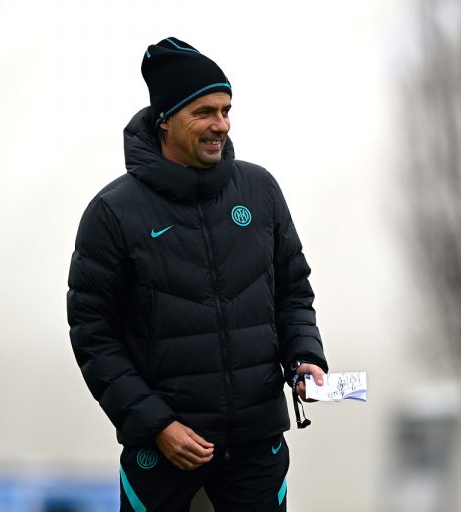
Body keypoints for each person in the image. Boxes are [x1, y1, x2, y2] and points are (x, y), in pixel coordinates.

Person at [67, 37, 329, 512]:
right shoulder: (113, 212)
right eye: (204, 112)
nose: (220, 124)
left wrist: (304, 356)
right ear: (165, 119)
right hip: (163, 453)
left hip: (256, 448)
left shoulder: (260, 190)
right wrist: (158, 425)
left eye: (226, 110)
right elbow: (94, 336)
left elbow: (292, 293)